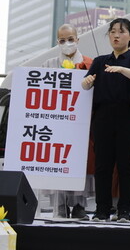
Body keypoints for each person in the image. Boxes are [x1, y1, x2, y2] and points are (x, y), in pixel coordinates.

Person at [81, 18, 130, 223]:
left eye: (121, 32)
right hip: (103, 117)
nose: (116, 35)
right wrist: (86, 82)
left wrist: (121, 69)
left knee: (126, 166)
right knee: (102, 165)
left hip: (128, 118)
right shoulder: (100, 60)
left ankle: (125, 211)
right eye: (112, 32)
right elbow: (86, 85)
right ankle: (102, 209)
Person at [42, 25, 93, 219]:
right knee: (57, 161)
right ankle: (59, 204)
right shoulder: (49, 64)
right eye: (62, 40)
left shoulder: (89, 63)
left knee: (80, 162)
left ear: (78, 39)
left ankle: (80, 204)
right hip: (56, 124)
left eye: (70, 39)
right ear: (57, 42)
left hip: (80, 123)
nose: (67, 43)